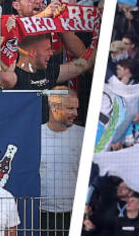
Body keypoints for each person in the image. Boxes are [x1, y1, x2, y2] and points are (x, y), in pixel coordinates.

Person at [40, 88, 84, 232]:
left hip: (75, 213)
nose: (75, 114)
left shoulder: (83, 136)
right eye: (70, 108)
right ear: (54, 108)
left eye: (76, 108)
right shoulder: (35, 135)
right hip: (42, 215)